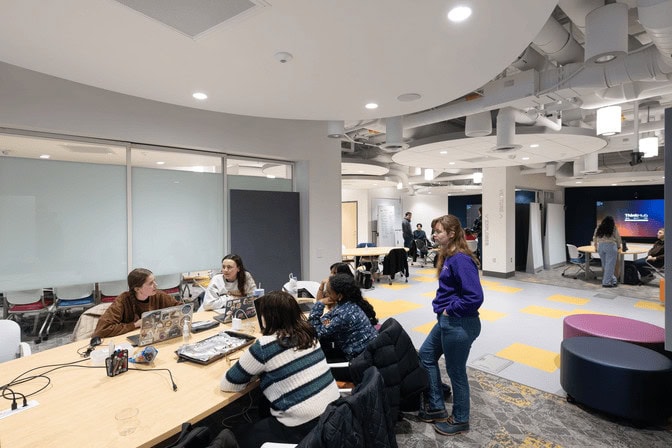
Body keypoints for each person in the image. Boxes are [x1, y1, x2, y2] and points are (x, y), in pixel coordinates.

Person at [220, 291, 340, 447]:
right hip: (335, 414)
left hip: (305, 427)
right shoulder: (309, 333)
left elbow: (228, 384)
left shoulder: (265, 346)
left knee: (241, 435)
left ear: (267, 317)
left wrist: (253, 374)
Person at [418, 214, 483, 436]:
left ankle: (460, 419)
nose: (434, 235)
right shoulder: (448, 256)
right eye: (434, 231)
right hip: (447, 321)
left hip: (459, 323)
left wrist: (449, 309)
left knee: (456, 372)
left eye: (438, 231)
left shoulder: (461, 259)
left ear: (452, 234)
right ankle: (436, 406)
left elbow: (474, 297)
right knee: (426, 354)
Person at [308, 273, 379, 362]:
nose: (326, 294)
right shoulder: (348, 303)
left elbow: (316, 332)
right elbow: (328, 316)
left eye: (329, 292)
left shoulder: (344, 314)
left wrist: (320, 303)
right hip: (366, 351)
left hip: (359, 360)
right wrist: (324, 322)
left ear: (340, 296)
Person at [94, 268, 180, 338]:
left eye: (154, 281)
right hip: (128, 340)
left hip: (154, 336)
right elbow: (102, 329)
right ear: (137, 289)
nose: (156, 285)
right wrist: (135, 324)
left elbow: (181, 308)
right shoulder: (123, 300)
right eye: (150, 283)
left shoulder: (159, 295)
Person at [593, 216, 622, 288]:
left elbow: (594, 237)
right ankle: (606, 282)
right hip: (611, 246)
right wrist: (619, 246)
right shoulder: (613, 227)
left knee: (605, 265)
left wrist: (595, 246)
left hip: (601, 246)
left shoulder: (599, 227)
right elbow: (618, 238)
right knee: (610, 266)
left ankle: (613, 280)